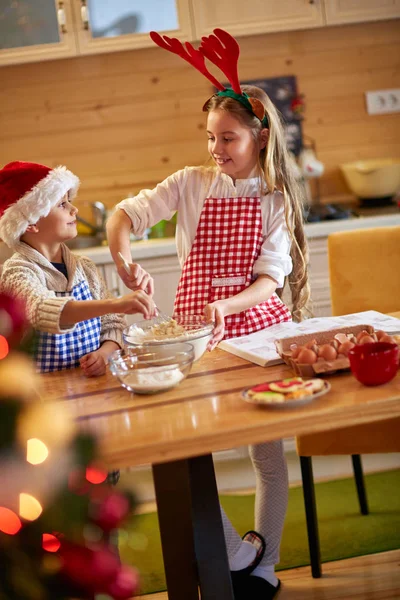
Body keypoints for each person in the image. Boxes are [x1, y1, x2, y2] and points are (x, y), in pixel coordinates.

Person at [106, 29, 310, 599]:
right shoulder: (190, 185)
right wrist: (122, 255)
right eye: (211, 137)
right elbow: (128, 212)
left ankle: (263, 572)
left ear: (259, 136)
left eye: (228, 138)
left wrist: (229, 301)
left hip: (260, 334)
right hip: (195, 339)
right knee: (191, 451)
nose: (216, 149)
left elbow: (271, 279)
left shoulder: (274, 199)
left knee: (267, 456)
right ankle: (236, 552)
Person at [0, 160, 156, 377]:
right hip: (43, 395)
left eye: (69, 201)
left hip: (92, 391)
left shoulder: (86, 268)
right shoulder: (17, 272)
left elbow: (113, 325)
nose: (74, 209)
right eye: (62, 204)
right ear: (30, 223)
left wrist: (104, 354)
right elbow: (42, 309)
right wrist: (115, 303)